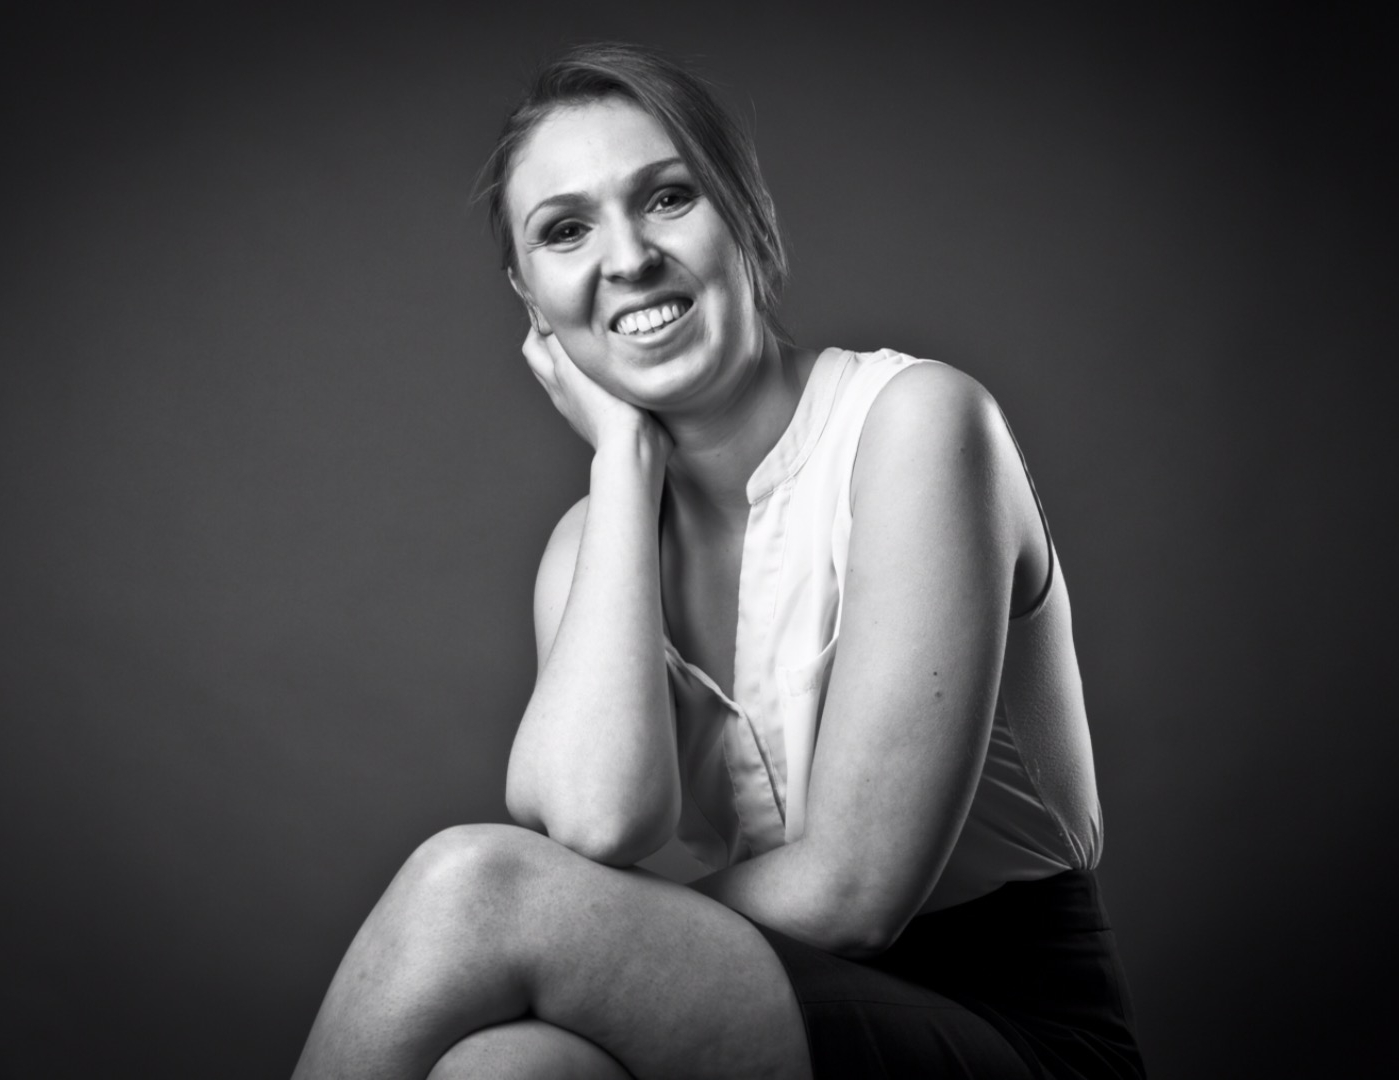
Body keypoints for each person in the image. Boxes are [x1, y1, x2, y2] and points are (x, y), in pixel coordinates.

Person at [292, 42, 1144, 1080]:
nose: (627, 258)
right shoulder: (589, 546)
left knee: (475, 889)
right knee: (507, 1068)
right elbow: (599, 821)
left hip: (1017, 1035)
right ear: (531, 299)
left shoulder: (918, 424)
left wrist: (567, 937)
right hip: (768, 1006)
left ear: (746, 214)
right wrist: (623, 458)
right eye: (566, 230)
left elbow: (858, 894)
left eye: (667, 198)